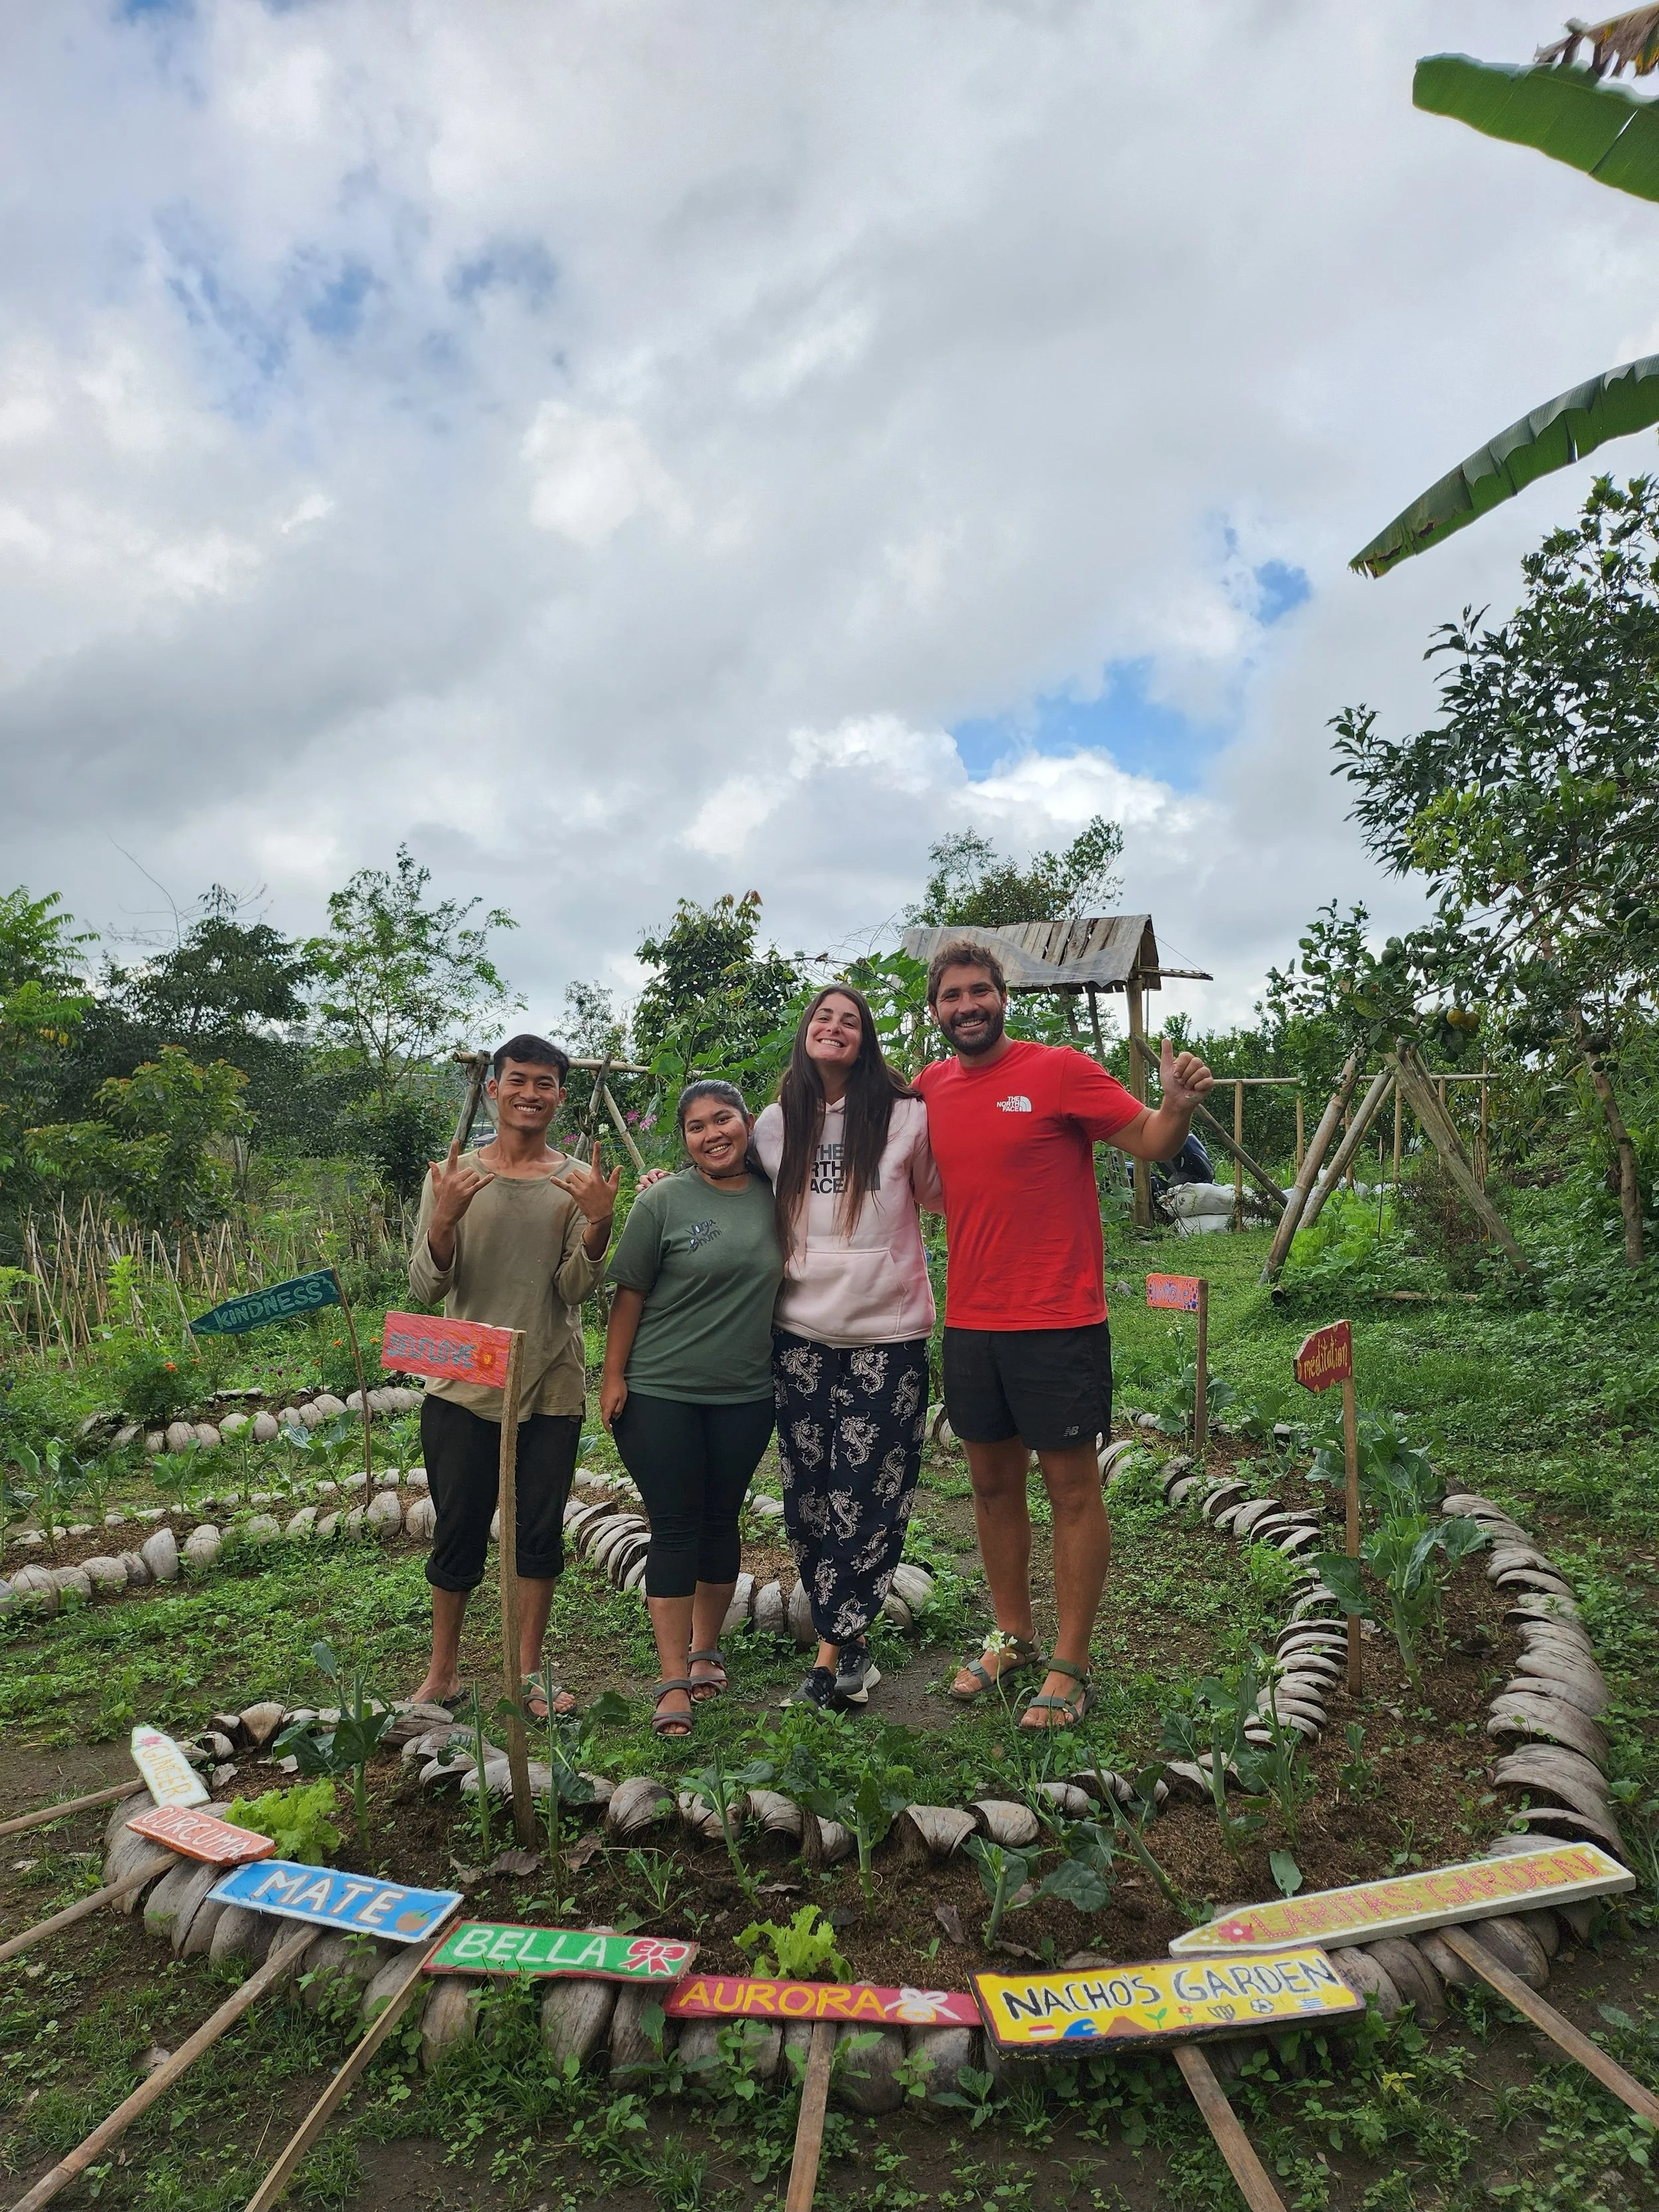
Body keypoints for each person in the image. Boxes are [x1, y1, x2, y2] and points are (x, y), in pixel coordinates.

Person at [913, 940, 1214, 1729]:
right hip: (971, 1321)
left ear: (1002, 997)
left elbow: (1152, 1142)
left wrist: (1177, 1103)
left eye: (980, 991)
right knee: (988, 1486)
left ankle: (1069, 1663)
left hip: (1058, 1320)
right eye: (951, 996)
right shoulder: (929, 1089)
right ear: (936, 1009)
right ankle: (1011, 1635)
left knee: (1072, 1489)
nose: (967, 1006)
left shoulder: (1058, 1070)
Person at [409, 1034, 620, 1718]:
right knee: (458, 1529)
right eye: (518, 1080)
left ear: (561, 1095)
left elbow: (572, 1289)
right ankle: (441, 1673)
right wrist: (443, 1220)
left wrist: (598, 1224)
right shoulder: (453, 1176)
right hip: (460, 1385)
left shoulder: (573, 1182)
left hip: (549, 1385)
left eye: (545, 1083)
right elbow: (423, 1290)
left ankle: (529, 1673)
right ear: (494, 1088)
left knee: (537, 1535)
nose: (531, 1093)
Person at [754, 984, 942, 1712]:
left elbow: (939, 1194)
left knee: (865, 1494)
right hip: (798, 1331)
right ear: (807, 1032)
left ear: (865, 1042)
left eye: (851, 1021)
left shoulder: (903, 1118)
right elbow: (731, 1186)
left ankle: (830, 1657)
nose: (835, 1027)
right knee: (805, 1498)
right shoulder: (776, 1124)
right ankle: (853, 1645)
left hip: (884, 1336)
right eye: (824, 1017)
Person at [601, 1080, 782, 1737]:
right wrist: (613, 1376)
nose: (713, 1134)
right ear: (683, 1139)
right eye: (697, 1126)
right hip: (659, 1392)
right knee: (676, 1525)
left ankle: (708, 1647)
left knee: (720, 1520)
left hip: (744, 1394)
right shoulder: (662, 1201)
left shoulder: (776, 1198)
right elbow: (629, 1292)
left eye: (724, 1119)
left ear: (747, 1123)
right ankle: (672, 1677)